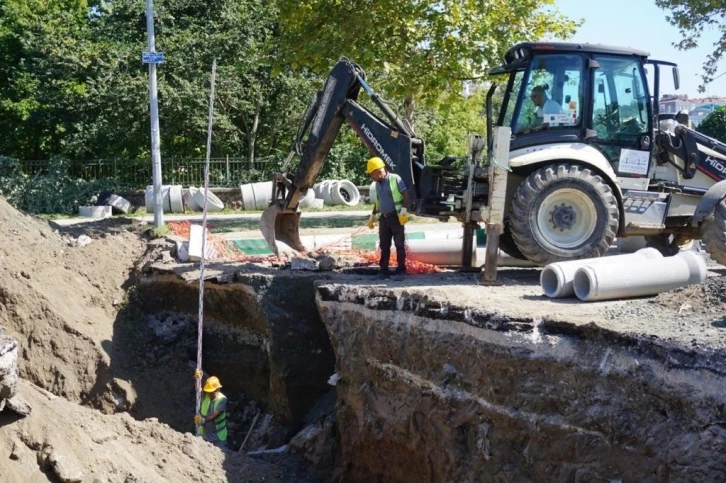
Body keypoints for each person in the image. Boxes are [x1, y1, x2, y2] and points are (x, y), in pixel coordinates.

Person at [366, 156, 410, 281]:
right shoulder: (377, 184)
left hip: (396, 217)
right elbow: (379, 200)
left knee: (399, 244)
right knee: (384, 245)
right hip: (384, 219)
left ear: (379, 171)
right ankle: (383, 270)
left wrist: (403, 211)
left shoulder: (395, 179)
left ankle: (401, 270)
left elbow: (406, 195)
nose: (371, 177)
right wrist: (373, 215)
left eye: (372, 174)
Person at [194, 375, 228, 449]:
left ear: (218, 389)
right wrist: (197, 378)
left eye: (212, 392)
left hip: (218, 438)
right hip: (204, 435)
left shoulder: (222, 400)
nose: (210, 394)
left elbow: (214, 416)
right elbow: (197, 389)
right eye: (208, 392)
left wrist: (202, 420)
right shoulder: (206, 395)